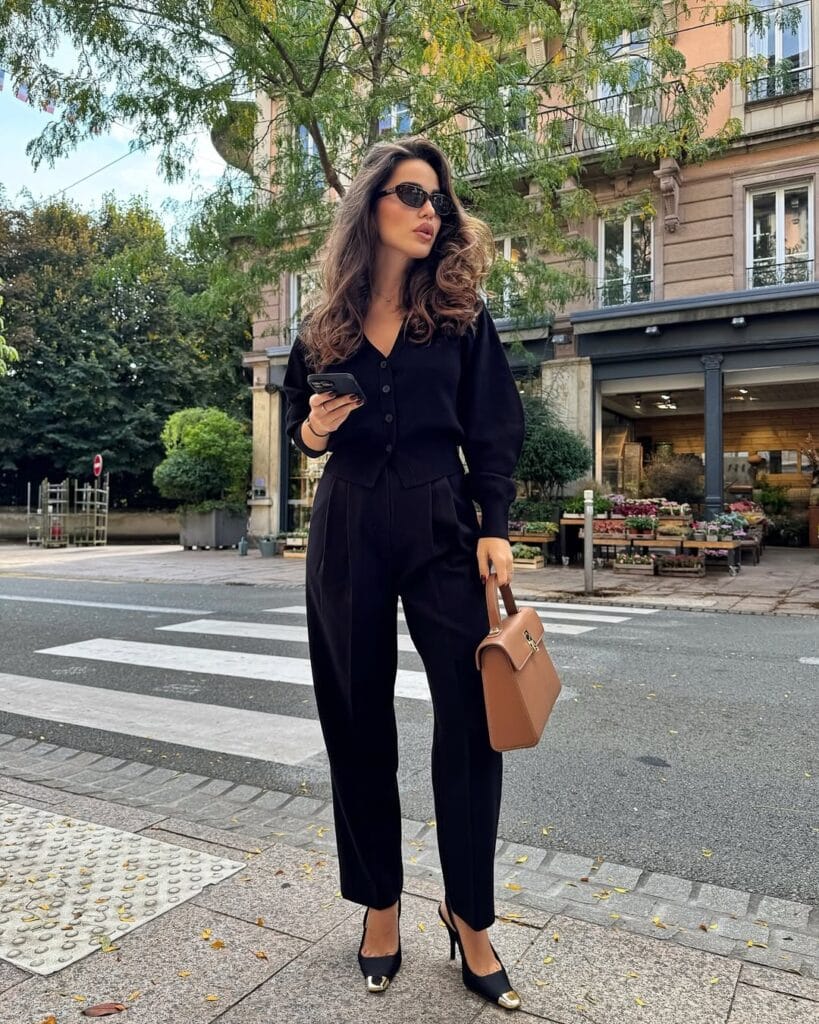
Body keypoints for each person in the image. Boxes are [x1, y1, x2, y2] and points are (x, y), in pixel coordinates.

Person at [282, 136, 525, 1010]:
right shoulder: (324, 326)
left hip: (438, 519)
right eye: (413, 194)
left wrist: (493, 526)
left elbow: (494, 428)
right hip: (346, 519)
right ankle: (378, 906)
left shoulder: (461, 314)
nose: (432, 211)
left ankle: (469, 916)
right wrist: (315, 428)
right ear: (370, 208)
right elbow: (295, 435)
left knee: (469, 722)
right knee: (354, 718)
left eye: (440, 200)